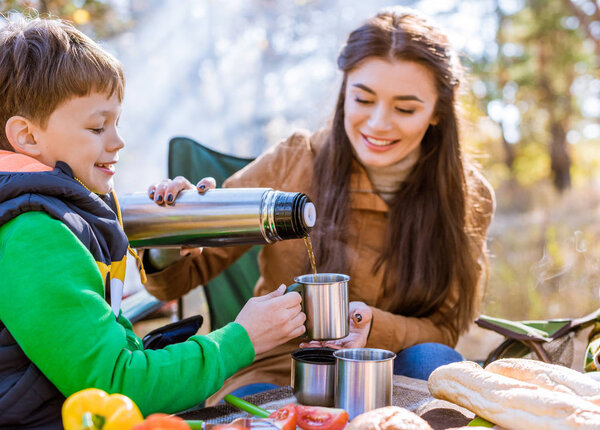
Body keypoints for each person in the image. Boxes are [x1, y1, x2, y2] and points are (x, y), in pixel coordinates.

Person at [146, 6, 495, 404]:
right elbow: (185, 274)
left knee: (436, 360)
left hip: (391, 369)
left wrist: (373, 327)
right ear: (345, 90)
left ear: (436, 113)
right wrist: (172, 230)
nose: (379, 124)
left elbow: (444, 327)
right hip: (282, 369)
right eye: (363, 99)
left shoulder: (467, 196)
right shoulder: (295, 162)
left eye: (405, 109)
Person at [0, 17, 305, 428]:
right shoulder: (34, 233)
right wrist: (242, 339)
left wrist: (166, 242)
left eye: (117, 123)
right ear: (27, 137)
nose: (118, 141)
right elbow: (116, 384)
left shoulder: (57, 215)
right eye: (97, 126)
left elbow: (105, 351)